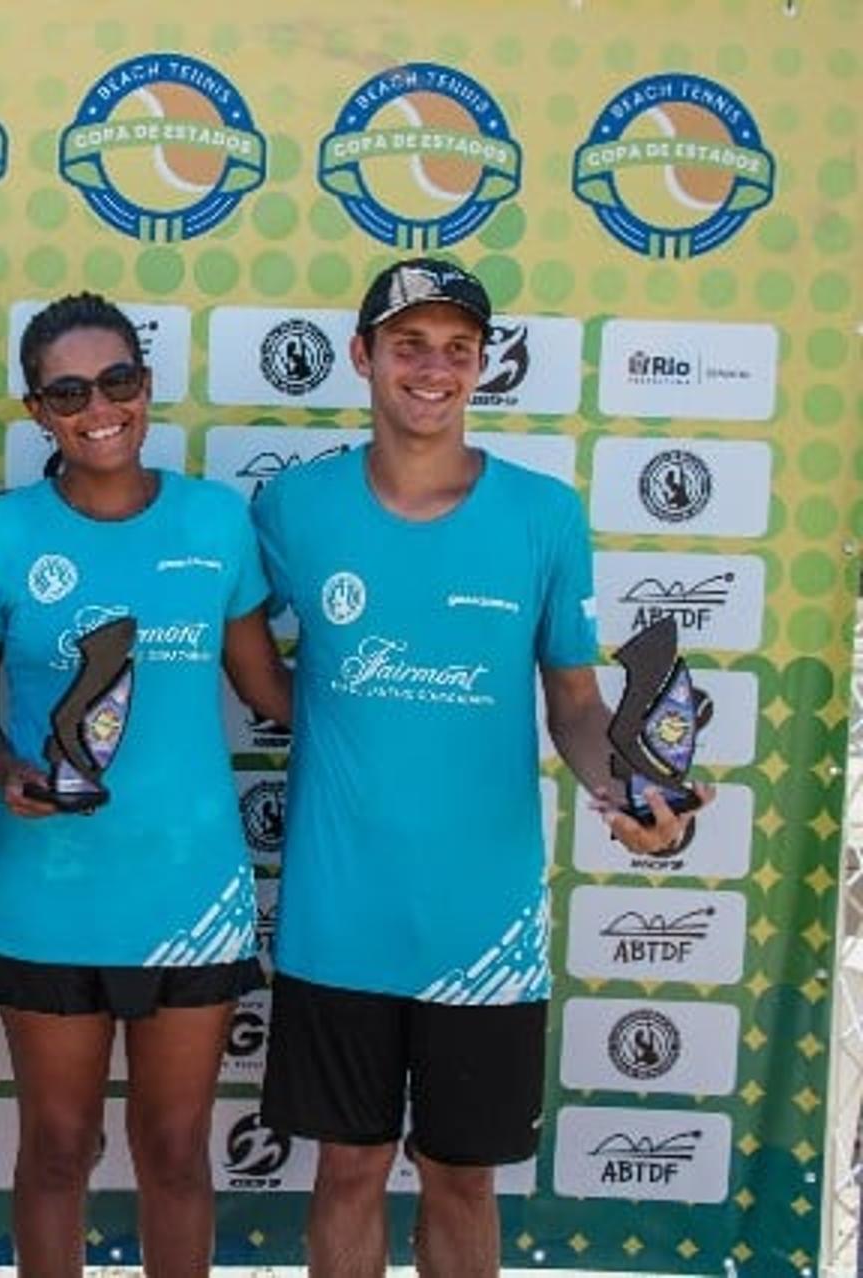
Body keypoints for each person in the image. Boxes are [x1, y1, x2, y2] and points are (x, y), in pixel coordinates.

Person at [252, 258, 707, 1278]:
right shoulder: (294, 508)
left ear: (482, 368)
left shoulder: (544, 516)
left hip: (484, 925)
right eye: (408, 345)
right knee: (350, 1169)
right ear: (363, 356)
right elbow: (235, 637)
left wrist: (625, 785)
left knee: (463, 1176)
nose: (432, 370)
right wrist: (306, 712)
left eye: (458, 350)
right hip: (339, 918)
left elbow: (579, 705)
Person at [0, 293, 292, 1277]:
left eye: (118, 381)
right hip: (48, 895)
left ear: (146, 387)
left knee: (176, 1153)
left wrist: (415, 706)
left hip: (192, 892)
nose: (97, 407)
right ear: (37, 411)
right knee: (58, 1152)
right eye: (68, 391)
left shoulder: (216, 520)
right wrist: (6, 767)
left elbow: (266, 686)